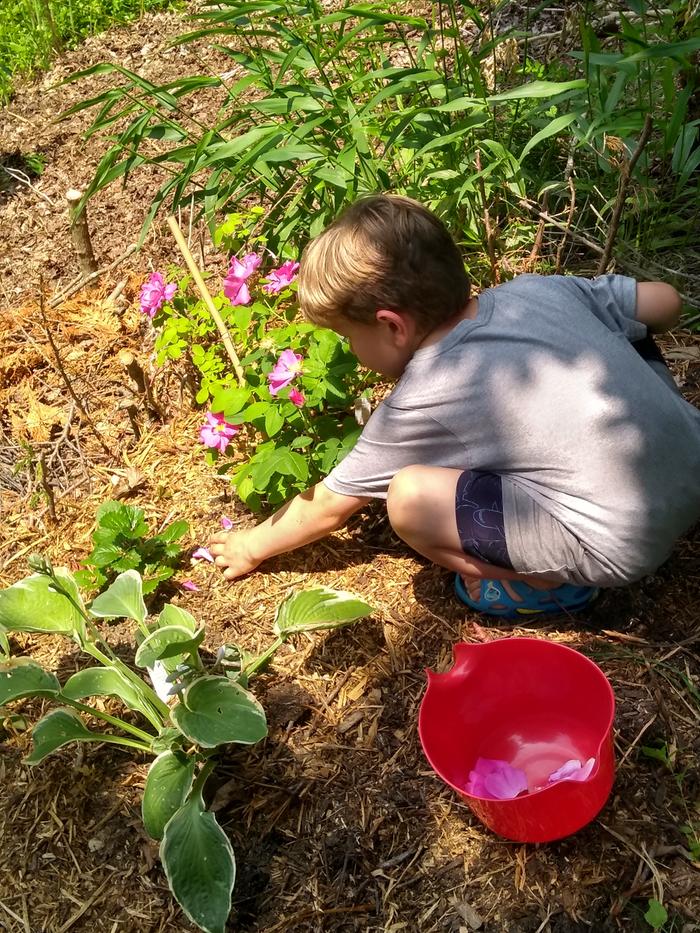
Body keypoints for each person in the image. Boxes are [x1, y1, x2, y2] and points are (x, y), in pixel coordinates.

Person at [209, 194, 700, 617]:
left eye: (347, 335)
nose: (350, 351)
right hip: (691, 463)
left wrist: (250, 546)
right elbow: (665, 302)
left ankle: (547, 584)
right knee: (624, 331)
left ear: (392, 326)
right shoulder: (536, 290)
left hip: (621, 545)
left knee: (409, 498)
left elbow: (330, 508)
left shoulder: (425, 395)